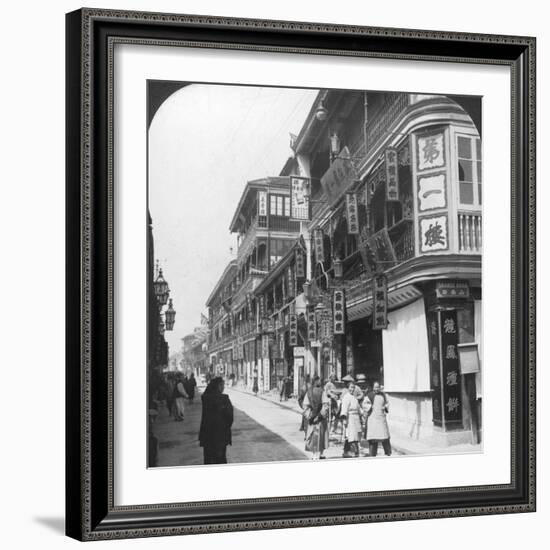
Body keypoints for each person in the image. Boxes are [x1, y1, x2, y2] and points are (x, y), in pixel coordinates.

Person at [199, 377, 234, 464]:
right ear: (218, 386)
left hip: (207, 435)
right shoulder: (224, 399)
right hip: (220, 435)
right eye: (222, 385)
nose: (223, 387)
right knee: (220, 459)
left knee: (208, 459)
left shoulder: (205, 398)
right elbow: (230, 418)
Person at [302, 376, 329, 459]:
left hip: (312, 417)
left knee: (312, 435)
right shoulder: (322, 391)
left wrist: (309, 416)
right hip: (320, 418)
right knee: (321, 435)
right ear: (317, 382)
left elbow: (305, 406)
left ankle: (314, 454)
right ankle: (320, 453)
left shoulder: (308, 392)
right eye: (319, 381)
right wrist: (321, 415)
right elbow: (325, 405)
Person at [363, 381, 391, 456]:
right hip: (373, 419)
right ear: (373, 387)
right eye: (375, 387)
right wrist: (369, 407)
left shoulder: (383, 395)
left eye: (378, 387)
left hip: (381, 419)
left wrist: (385, 407)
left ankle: (388, 453)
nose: (377, 388)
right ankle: (372, 454)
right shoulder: (369, 395)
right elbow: (365, 404)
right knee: (373, 439)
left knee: (385, 437)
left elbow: (387, 403)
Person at [340, 380, 363, 458]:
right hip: (350, 418)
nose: (352, 389)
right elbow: (344, 409)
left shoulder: (354, 397)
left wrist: (362, 413)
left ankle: (346, 451)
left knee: (353, 435)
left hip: (356, 418)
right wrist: (344, 419)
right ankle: (354, 452)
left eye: (353, 387)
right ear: (348, 388)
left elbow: (358, 407)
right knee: (351, 436)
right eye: (351, 387)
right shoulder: (346, 397)